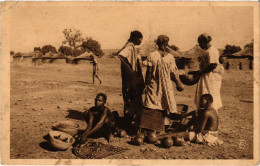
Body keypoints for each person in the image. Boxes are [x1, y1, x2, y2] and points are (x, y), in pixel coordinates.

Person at [143, 35, 183, 118]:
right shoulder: (170, 57)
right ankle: (164, 122)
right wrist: (178, 83)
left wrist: (146, 85)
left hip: (154, 84)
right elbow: (173, 73)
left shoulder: (152, 55)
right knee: (166, 103)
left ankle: (154, 122)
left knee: (152, 104)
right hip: (167, 84)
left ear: (157, 43)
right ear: (167, 43)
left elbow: (149, 73)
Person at [191, 33, 223, 112]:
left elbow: (212, 65)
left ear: (205, 42)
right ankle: (204, 114)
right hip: (207, 76)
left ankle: (210, 114)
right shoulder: (207, 51)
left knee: (209, 95)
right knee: (205, 95)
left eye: (200, 43)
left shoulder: (211, 51)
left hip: (210, 77)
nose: (200, 45)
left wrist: (200, 72)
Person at [118, 30, 144, 125]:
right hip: (130, 79)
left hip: (131, 78)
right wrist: (131, 71)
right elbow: (121, 55)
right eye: (140, 39)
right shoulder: (129, 47)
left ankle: (130, 120)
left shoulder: (133, 47)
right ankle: (129, 121)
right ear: (136, 39)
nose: (141, 41)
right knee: (131, 98)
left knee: (132, 98)